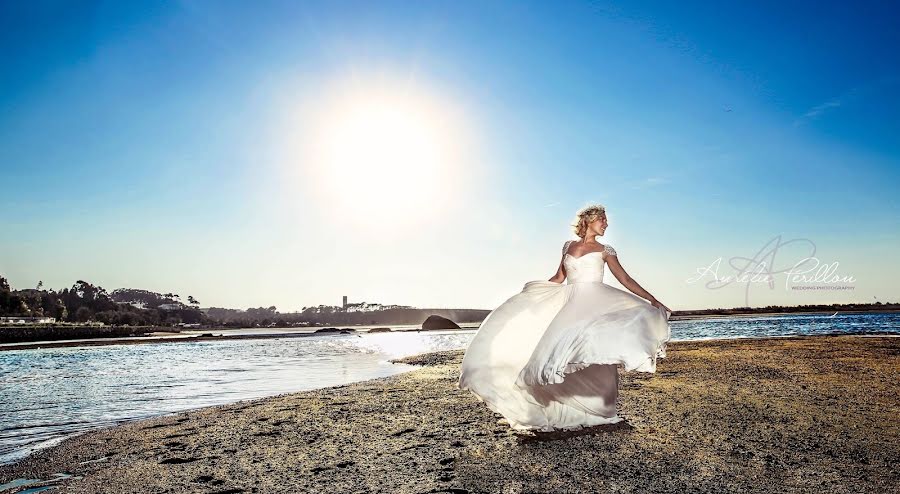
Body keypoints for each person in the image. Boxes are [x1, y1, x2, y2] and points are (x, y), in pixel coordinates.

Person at [458, 203, 672, 431]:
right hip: (570, 304)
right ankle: (564, 410)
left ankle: (600, 410)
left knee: (592, 351)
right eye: (602, 219)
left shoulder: (606, 251)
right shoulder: (567, 247)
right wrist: (532, 295)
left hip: (596, 303)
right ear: (589, 220)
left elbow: (626, 280)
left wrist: (652, 299)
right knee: (557, 353)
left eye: (606, 220)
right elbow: (559, 277)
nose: (606, 224)